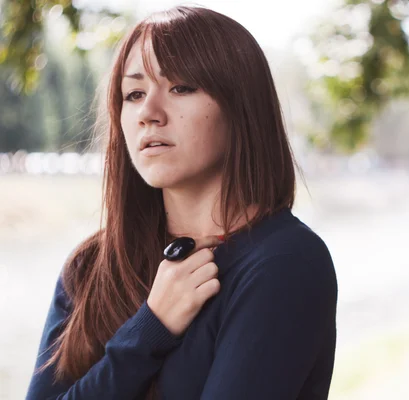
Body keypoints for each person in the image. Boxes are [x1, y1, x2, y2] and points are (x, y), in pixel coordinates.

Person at [25, 5, 338, 400]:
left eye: (181, 87)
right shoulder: (90, 266)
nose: (148, 114)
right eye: (134, 94)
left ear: (240, 105)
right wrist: (149, 330)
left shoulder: (285, 263)